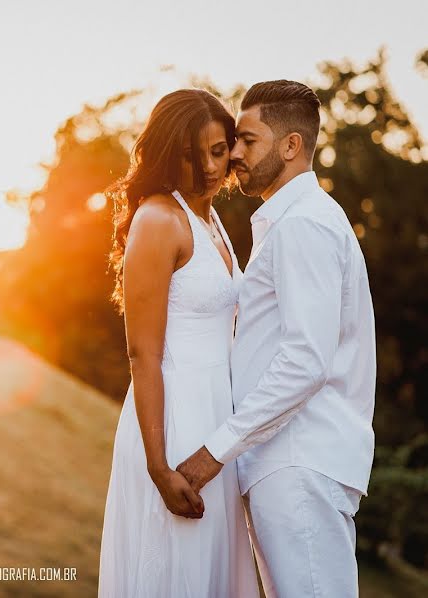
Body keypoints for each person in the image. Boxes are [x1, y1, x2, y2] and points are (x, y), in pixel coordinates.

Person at [177, 80, 377, 597]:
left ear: (291, 146)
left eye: (249, 140)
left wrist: (215, 450)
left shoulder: (303, 226)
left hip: (297, 461)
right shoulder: (290, 222)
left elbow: (305, 360)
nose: (236, 154)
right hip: (286, 462)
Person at [97, 89, 258, 597]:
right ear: (168, 154)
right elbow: (142, 353)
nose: (210, 168)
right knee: (176, 571)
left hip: (217, 420)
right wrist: (158, 466)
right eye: (193, 156)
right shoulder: (158, 219)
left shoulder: (211, 219)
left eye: (218, 150)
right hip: (174, 420)